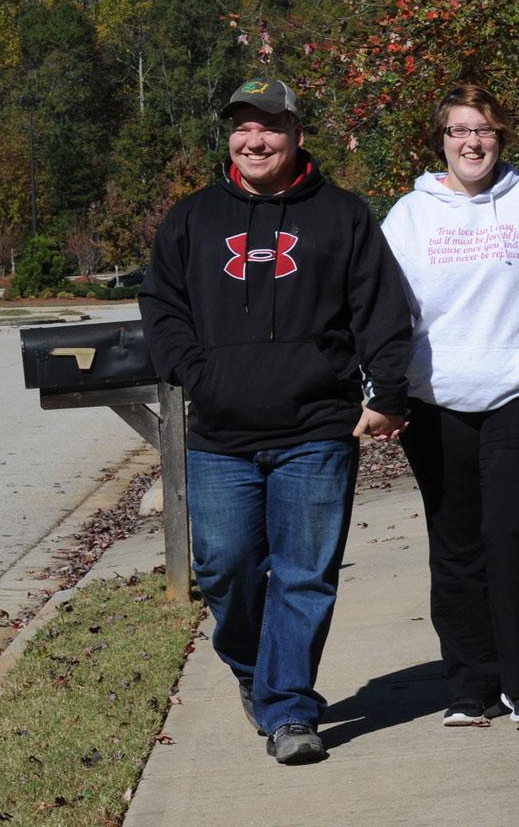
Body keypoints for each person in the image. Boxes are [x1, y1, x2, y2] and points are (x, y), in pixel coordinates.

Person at [139, 76, 411, 764]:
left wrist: (387, 394)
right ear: (230, 135)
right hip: (220, 435)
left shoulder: (342, 215)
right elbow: (161, 308)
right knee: (226, 568)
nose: (254, 139)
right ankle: (254, 671)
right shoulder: (191, 218)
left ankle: (289, 709)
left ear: (296, 135)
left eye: (269, 127)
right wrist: (196, 373)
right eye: (242, 126)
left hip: (316, 429)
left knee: (303, 574)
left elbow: (379, 310)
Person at [382, 84, 519, 729]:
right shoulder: (408, 216)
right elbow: (386, 312)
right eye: (458, 130)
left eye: (483, 130)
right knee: (455, 541)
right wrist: (385, 391)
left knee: (511, 529)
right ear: (440, 141)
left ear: (500, 138)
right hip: (435, 398)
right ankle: (469, 684)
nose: (471, 142)